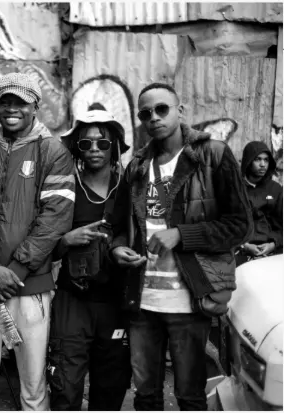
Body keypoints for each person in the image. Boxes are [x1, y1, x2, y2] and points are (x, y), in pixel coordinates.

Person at [109, 83, 253, 411]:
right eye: (145, 113)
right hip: (143, 301)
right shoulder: (137, 166)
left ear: (180, 111)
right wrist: (117, 249)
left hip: (191, 300)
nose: (154, 117)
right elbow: (117, 227)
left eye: (162, 109)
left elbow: (240, 226)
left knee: (189, 396)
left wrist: (181, 235)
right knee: (146, 396)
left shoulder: (212, 155)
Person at [0, 73, 75, 410]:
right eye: (5, 101)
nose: (12, 108)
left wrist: (13, 273)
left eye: (21, 102)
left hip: (30, 288)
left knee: (33, 388)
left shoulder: (53, 151)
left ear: (35, 107)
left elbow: (54, 219)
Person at [48, 103, 131, 410]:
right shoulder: (66, 188)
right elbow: (42, 241)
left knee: (110, 389)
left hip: (116, 301)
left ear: (115, 147)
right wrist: (66, 240)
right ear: (77, 148)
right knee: (65, 387)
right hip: (73, 299)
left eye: (102, 143)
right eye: (86, 143)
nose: (94, 149)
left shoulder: (129, 189)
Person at [235, 141, 283, 265]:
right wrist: (244, 246)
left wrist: (273, 244)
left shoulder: (276, 189)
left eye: (266, 160)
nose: (263, 164)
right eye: (257, 159)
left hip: (273, 250)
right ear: (248, 161)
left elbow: (281, 225)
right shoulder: (235, 189)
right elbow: (224, 225)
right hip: (240, 250)